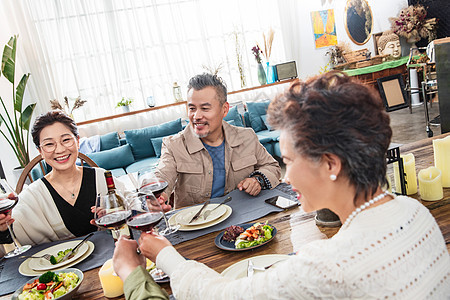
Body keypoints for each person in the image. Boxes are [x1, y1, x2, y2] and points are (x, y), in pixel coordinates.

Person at [113, 72, 450, 299]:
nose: (285, 177)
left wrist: (160, 260)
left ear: (331, 163)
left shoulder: (326, 265)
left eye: (289, 161)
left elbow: (219, 296)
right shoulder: (415, 209)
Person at [155, 73, 281, 209]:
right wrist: (157, 197)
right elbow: (161, 177)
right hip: (197, 226)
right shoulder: (173, 145)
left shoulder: (247, 137)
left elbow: (273, 167)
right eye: (192, 108)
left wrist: (258, 180)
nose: (196, 116)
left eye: (205, 108)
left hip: (244, 216)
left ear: (224, 109)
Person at [0, 111, 117, 249]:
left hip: (111, 259)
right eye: (49, 144)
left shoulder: (102, 178)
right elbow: (9, 239)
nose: (60, 149)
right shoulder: (33, 196)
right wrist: (3, 224)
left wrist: (113, 217)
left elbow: (134, 208)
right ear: (40, 151)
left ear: (77, 141)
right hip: (62, 270)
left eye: (66, 140)